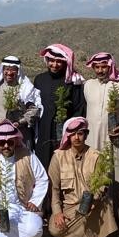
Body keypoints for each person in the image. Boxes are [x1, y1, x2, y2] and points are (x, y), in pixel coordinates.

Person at [47, 117, 118, 237]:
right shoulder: (58, 157)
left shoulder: (96, 156)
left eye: (80, 133)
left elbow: (101, 185)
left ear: (86, 135)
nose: (76, 138)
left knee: (106, 206)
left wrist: (94, 200)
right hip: (70, 208)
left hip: (93, 207)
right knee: (54, 228)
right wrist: (57, 212)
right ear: (68, 136)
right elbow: (54, 190)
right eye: (73, 134)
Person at [32, 43, 86, 182]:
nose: (54, 65)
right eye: (51, 60)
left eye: (59, 61)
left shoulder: (72, 82)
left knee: (64, 170)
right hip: (43, 132)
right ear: (47, 60)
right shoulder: (39, 80)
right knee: (42, 169)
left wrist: (70, 131)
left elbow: (79, 109)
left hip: (64, 135)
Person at [83, 51, 119, 185]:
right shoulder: (88, 85)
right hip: (92, 139)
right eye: (97, 67)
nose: (100, 70)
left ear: (110, 66)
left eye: (104, 67)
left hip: (115, 138)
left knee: (117, 175)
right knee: (93, 173)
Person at [0, 55, 41, 144]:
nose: (9, 73)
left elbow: (33, 110)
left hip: (20, 134)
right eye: (7, 69)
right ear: (2, 70)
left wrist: (19, 122)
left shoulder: (26, 89)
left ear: (18, 71)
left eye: (13, 70)